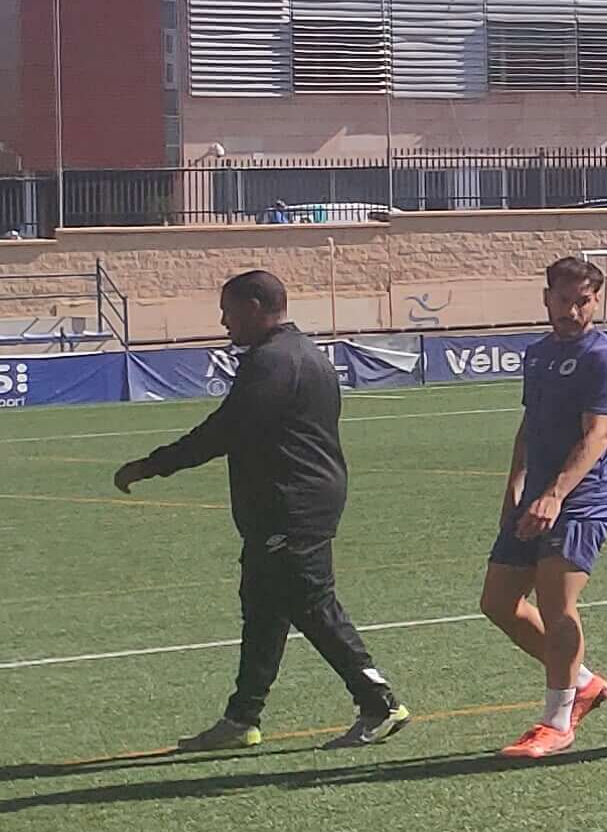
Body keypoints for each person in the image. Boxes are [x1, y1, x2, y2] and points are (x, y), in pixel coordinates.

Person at [112, 267, 405, 752]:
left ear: (253, 307)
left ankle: (379, 703)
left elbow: (225, 430)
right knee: (265, 611)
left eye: (228, 310)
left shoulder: (273, 362)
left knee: (311, 604)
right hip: (290, 503)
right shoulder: (301, 353)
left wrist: (152, 466)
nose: (223, 321)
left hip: (292, 506)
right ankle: (242, 719)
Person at [482, 255, 607, 761]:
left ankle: (557, 721)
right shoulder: (538, 354)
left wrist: (555, 495)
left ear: (596, 301)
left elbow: (598, 435)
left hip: (582, 500)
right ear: (546, 298)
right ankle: (583, 682)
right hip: (538, 494)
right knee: (498, 603)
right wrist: (516, 488)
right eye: (563, 299)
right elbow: (530, 427)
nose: (571, 310)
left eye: (582, 301)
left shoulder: (603, 358)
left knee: (556, 604)